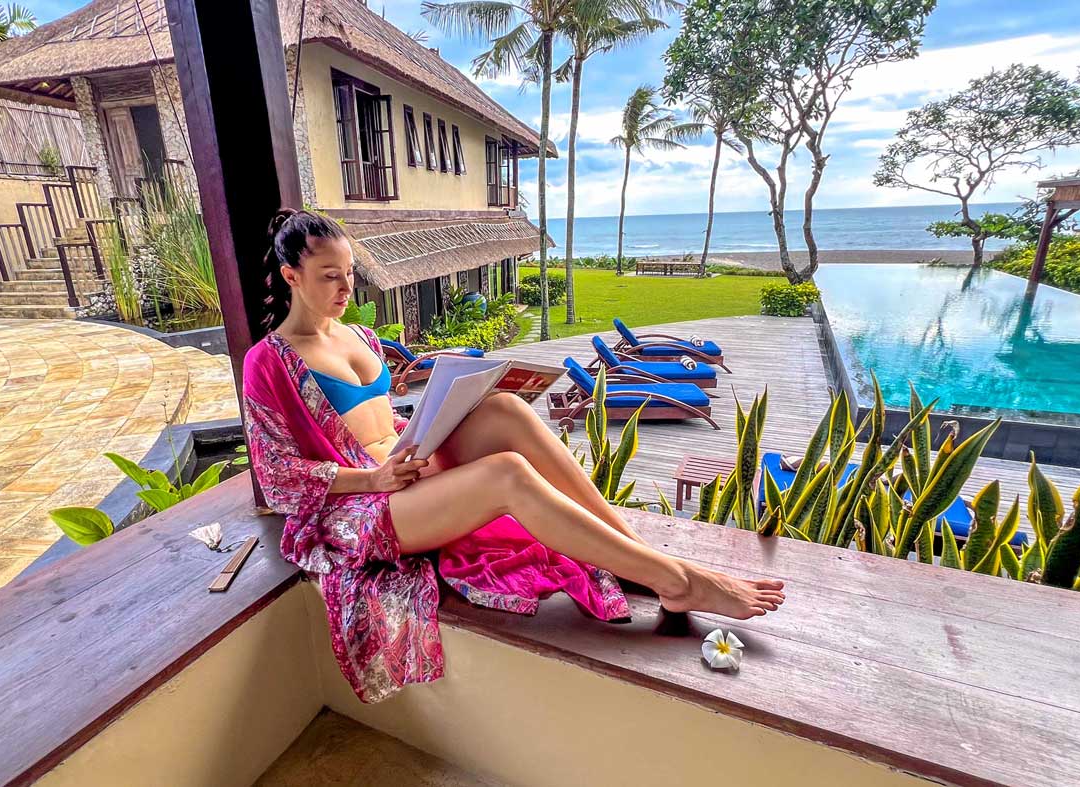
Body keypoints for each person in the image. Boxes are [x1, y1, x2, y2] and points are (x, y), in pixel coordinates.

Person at [242, 209, 784, 702]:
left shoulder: (359, 334)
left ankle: (635, 552)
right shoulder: (268, 361)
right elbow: (276, 475)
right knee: (506, 474)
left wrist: (435, 423)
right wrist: (374, 479)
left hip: (407, 467)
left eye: (349, 272)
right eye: (329, 276)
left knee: (505, 410)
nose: (346, 287)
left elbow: (382, 419)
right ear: (292, 276)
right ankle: (676, 582)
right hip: (359, 506)